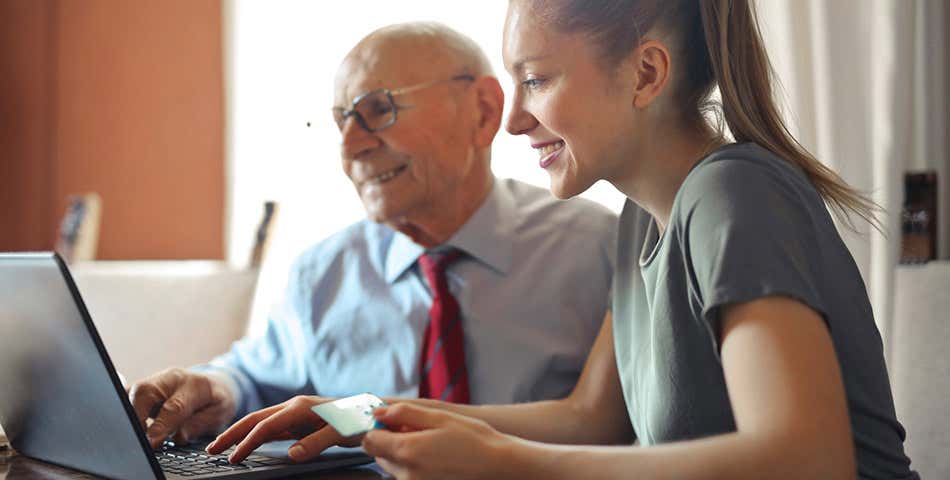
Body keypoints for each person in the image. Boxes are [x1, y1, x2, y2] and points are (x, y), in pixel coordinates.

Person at [207, 1, 920, 479]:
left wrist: (501, 461)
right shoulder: (644, 220)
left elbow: (808, 456)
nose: (513, 120)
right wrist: (360, 414)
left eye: (536, 80)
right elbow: (591, 417)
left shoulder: (733, 195)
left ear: (645, 75)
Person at [128, 21, 617, 454]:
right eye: (342, 120)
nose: (350, 147)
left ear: (484, 111)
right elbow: (256, 378)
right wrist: (215, 389)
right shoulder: (324, 271)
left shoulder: (599, 248)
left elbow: (613, 426)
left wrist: (361, 415)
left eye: (378, 110)